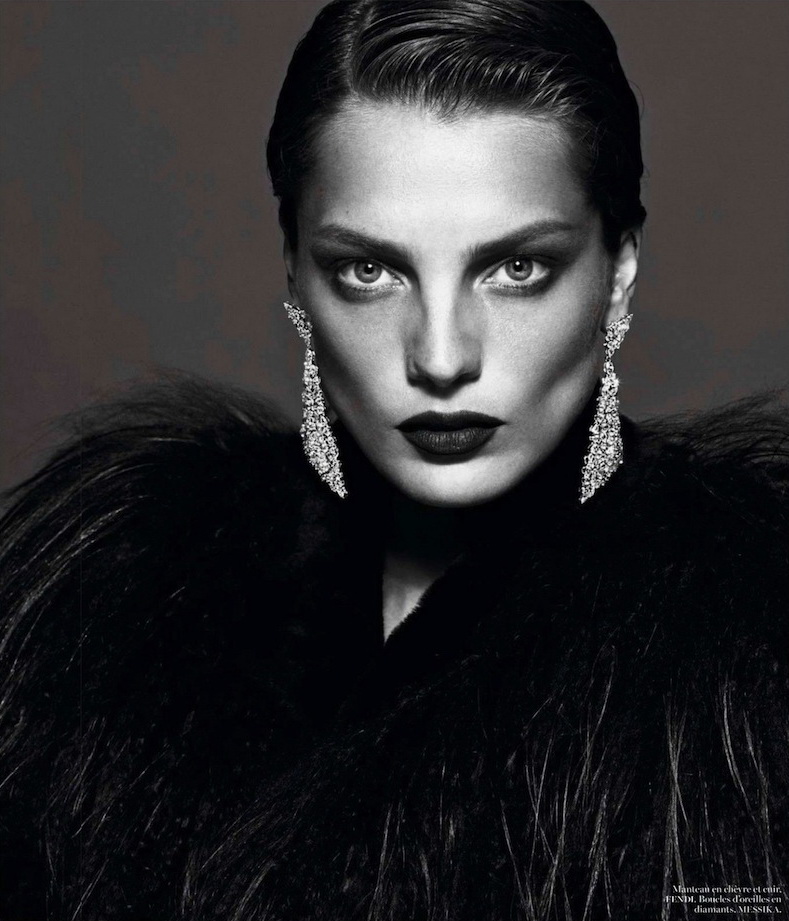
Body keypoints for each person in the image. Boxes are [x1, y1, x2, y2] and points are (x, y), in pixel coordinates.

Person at [1, 1, 787, 918]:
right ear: (295, 276)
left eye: (517, 269)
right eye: (369, 271)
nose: (442, 357)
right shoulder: (112, 611)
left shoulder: (742, 658)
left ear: (616, 274)